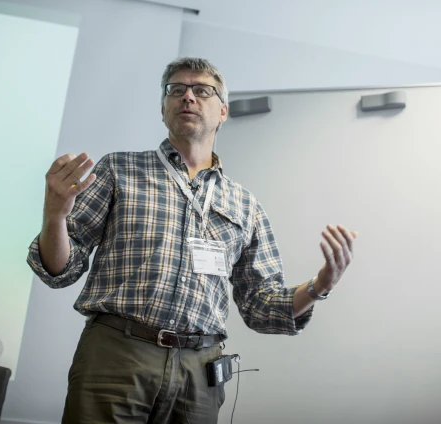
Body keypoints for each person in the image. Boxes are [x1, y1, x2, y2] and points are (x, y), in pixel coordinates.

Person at [26, 57, 357, 424]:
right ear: (163, 108)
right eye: (177, 90)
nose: (188, 97)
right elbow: (59, 269)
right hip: (117, 355)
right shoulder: (118, 169)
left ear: (222, 112)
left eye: (202, 91)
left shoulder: (244, 205)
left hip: (200, 372)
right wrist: (54, 215)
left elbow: (263, 308)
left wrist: (319, 287)